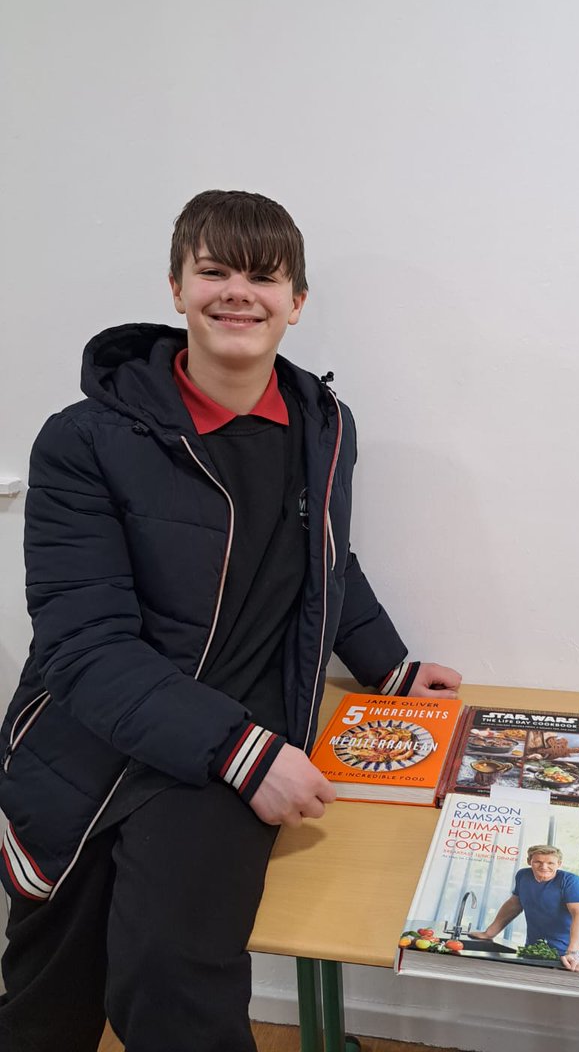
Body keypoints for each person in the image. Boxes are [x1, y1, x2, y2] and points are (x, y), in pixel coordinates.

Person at [0, 189, 461, 1052]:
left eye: (263, 276)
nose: (237, 293)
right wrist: (246, 756)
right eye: (213, 271)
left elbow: (328, 558)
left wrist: (390, 667)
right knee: (47, 997)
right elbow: (84, 648)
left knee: (169, 979)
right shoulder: (82, 441)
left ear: (297, 302)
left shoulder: (325, 423)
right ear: (176, 289)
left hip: (234, 742)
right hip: (99, 736)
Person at [470, 844, 579, 973]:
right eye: (538, 862)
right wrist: (489, 933)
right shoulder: (523, 876)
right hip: (536, 952)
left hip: (571, 957)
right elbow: (514, 905)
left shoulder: (571, 882)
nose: (544, 867)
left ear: (559, 864)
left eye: (550, 863)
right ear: (529, 861)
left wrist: (574, 952)